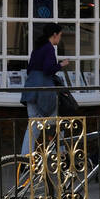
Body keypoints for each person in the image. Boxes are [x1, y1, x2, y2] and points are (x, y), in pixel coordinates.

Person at [20, 23, 70, 156]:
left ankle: (25, 159)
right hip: (44, 92)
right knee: (57, 121)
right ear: (54, 35)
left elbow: (29, 69)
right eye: (60, 35)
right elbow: (48, 69)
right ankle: (59, 153)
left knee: (33, 127)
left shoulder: (38, 48)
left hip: (30, 90)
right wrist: (61, 64)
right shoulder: (49, 48)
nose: (60, 38)